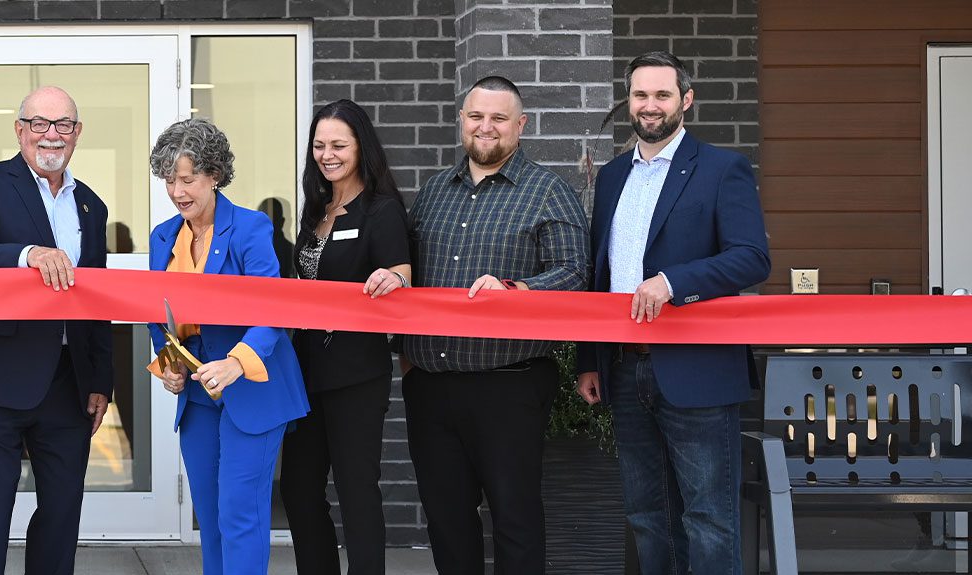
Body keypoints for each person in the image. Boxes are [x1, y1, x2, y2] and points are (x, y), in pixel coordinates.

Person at [575, 51, 770, 575]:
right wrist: (589, 360)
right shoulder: (614, 175)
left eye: (662, 94)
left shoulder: (723, 167)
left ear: (686, 100)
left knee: (709, 518)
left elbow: (752, 257)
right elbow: (603, 272)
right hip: (624, 368)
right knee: (646, 516)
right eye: (640, 95)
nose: (650, 105)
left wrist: (673, 282)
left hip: (698, 371)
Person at [402, 76, 589, 575]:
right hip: (431, 386)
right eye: (476, 116)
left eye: (499, 119)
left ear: (520, 126)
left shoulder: (549, 192)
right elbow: (410, 274)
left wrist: (518, 292)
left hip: (509, 385)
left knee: (516, 518)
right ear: (462, 120)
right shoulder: (434, 192)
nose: (486, 128)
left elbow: (575, 274)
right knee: (445, 520)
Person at [0, 86, 113, 575]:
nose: (51, 134)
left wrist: (101, 379)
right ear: (19, 130)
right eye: (39, 123)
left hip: (68, 384)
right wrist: (28, 254)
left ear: (77, 134)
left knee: (61, 517)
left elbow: (96, 298)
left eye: (63, 124)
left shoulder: (92, 207)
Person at [145, 118, 309, 575]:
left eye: (187, 178)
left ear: (214, 175)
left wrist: (236, 363)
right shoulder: (164, 235)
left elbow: (272, 308)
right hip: (198, 394)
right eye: (168, 180)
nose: (177, 191)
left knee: (240, 511)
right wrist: (169, 366)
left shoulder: (251, 228)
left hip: (251, 387)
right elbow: (158, 312)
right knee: (211, 516)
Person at [278, 99, 413, 575]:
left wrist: (395, 280)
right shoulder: (316, 208)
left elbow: (402, 275)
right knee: (297, 490)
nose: (327, 154)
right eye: (319, 145)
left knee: (356, 490)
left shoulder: (382, 211)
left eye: (338, 144)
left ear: (361, 148)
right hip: (304, 374)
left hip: (356, 375)